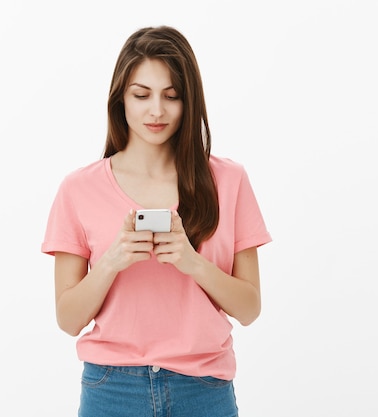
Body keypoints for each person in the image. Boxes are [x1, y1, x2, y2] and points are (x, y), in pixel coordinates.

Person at [41, 25, 272, 417]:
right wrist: (113, 260)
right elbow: (68, 319)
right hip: (111, 390)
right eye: (141, 94)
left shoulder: (229, 181)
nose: (157, 111)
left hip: (203, 390)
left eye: (172, 96)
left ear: (189, 101)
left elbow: (249, 308)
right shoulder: (78, 189)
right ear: (121, 99)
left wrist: (192, 262)